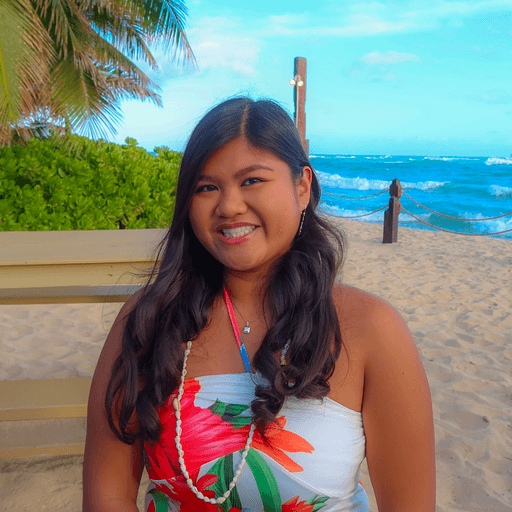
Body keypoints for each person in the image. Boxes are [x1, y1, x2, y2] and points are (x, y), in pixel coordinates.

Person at [83, 97, 436, 512]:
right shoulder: (151, 319)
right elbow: (107, 494)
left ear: (302, 187)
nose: (229, 206)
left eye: (251, 181)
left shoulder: (371, 328)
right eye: (207, 187)